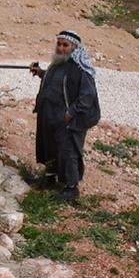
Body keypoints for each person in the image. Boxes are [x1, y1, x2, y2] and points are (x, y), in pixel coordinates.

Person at [29, 30, 100, 202]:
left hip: (68, 119)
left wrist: (71, 112)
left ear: (74, 48)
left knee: (68, 151)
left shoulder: (80, 69)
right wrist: (40, 72)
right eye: (59, 44)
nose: (61, 48)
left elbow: (87, 96)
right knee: (49, 146)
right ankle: (51, 178)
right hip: (50, 115)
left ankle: (71, 188)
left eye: (65, 45)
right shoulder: (58, 63)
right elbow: (55, 80)